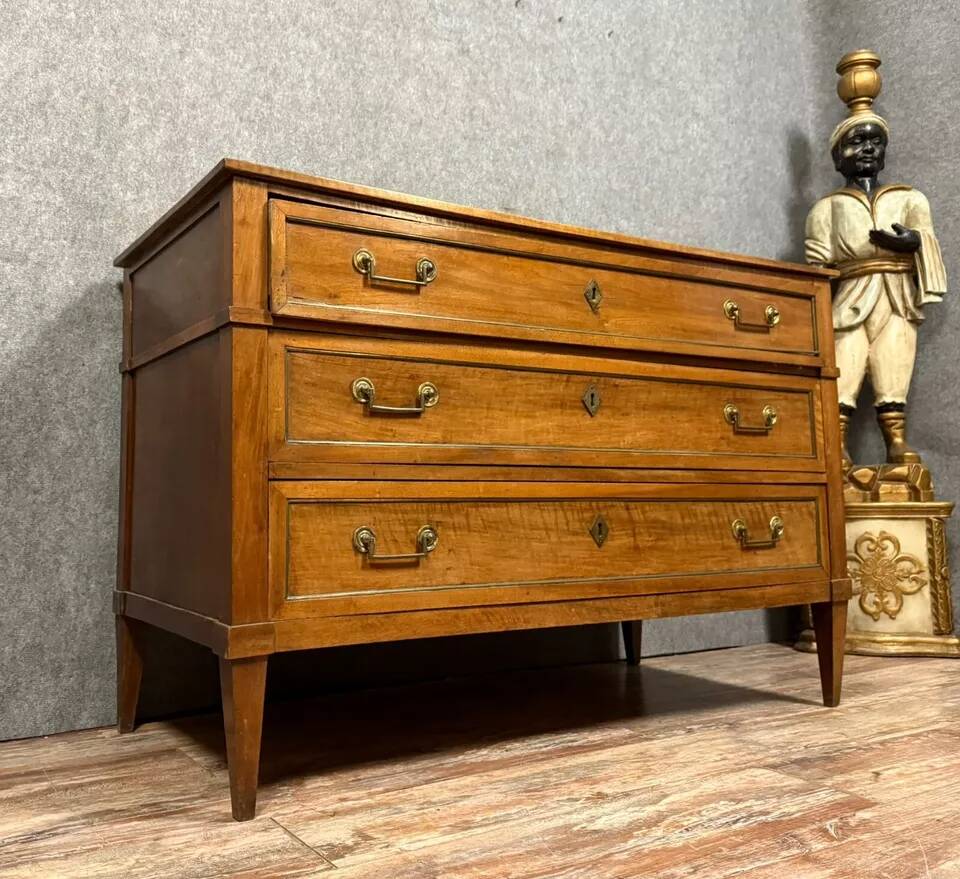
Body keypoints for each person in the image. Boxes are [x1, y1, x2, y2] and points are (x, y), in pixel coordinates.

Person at [805, 111, 946, 467]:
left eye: (875, 141)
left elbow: (926, 240)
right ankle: (837, 442)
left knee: (894, 363)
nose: (867, 148)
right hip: (849, 300)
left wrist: (912, 242)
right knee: (844, 365)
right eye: (856, 142)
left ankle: (896, 440)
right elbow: (816, 268)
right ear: (838, 156)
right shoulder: (826, 209)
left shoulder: (909, 199)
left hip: (897, 296)